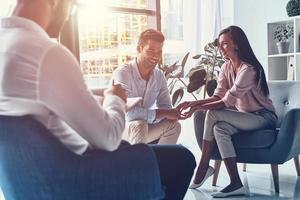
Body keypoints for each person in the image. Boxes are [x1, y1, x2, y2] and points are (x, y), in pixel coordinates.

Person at [0, 0, 195, 199]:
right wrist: (115, 98)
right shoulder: (46, 52)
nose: (68, 15)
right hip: (77, 176)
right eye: (72, 5)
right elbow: (108, 138)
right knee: (182, 160)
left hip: (30, 181)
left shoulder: (7, 42)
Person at [177, 25, 277, 198]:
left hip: (263, 117)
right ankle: (235, 182)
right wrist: (193, 103)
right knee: (219, 128)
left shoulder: (249, 69)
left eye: (224, 44)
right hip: (245, 117)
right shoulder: (226, 67)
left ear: (236, 44)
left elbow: (226, 102)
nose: (220, 48)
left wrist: (196, 107)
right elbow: (218, 96)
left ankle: (203, 164)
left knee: (213, 114)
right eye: (220, 44)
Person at [112, 29, 181, 145]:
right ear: (139, 49)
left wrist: (175, 113)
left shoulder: (159, 75)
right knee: (139, 125)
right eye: (150, 51)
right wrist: (162, 113)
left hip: (142, 126)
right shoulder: (122, 73)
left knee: (174, 125)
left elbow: (166, 108)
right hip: (118, 128)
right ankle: (140, 163)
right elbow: (129, 114)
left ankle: (161, 162)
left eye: (159, 52)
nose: (156, 56)